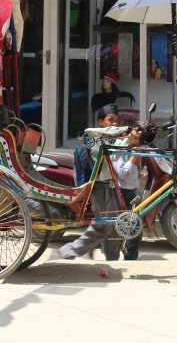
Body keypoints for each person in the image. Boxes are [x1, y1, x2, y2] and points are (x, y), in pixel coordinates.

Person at [59, 111, 139, 261]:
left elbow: (117, 147)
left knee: (113, 223)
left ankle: (112, 259)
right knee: (102, 226)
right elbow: (113, 150)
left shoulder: (110, 140)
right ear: (101, 122)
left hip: (110, 187)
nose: (115, 124)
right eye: (111, 120)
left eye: (117, 120)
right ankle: (68, 251)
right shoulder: (94, 139)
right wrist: (128, 133)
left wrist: (131, 139)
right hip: (99, 188)